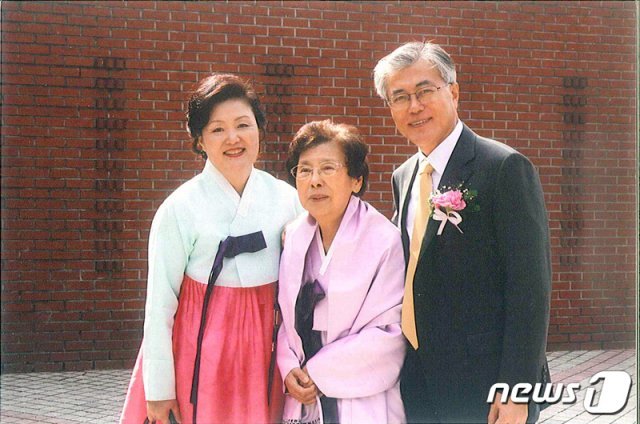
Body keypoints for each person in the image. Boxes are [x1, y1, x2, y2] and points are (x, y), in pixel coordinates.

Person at [374, 42, 552, 423]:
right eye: (400, 97)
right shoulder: (403, 177)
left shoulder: (503, 168)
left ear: (453, 92)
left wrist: (517, 389)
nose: (414, 106)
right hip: (418, 379)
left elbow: (530, 289)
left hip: (485, 382)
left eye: (424, 91)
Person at [120, 73, 301, 424]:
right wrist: (159, 389)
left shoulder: (288, 200)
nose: (233, 138)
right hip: (198, 357)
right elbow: (159, 307)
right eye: (217, 129)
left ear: (259, 130)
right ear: (200, 140)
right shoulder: (179, 208)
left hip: (266, 358)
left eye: (243, 125)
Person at [276, 120, 407, 424]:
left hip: (360, 395)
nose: (315, 180)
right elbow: (285, 320)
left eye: (328, 168)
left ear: (356, 180)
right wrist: (288, 367)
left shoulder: (384, 239)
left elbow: (390, 332)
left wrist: (319, 372)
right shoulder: (294, 236)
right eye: (305, 170)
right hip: (302, 390)